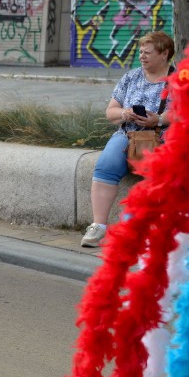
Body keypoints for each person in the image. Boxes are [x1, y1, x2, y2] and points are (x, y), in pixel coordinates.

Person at [80, 30, 175, 248]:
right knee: (105, 166)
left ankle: (155, 231)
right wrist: (124, 113)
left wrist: (158, 119)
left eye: (147, 52)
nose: (142, 56)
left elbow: (186, 112)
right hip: (128, 134)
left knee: (162, 173)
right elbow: (110, 111)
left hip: (163, 136)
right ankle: (98, 226)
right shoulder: (131, 77)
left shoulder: (178, 79)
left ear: (164, 54)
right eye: (141, 52)